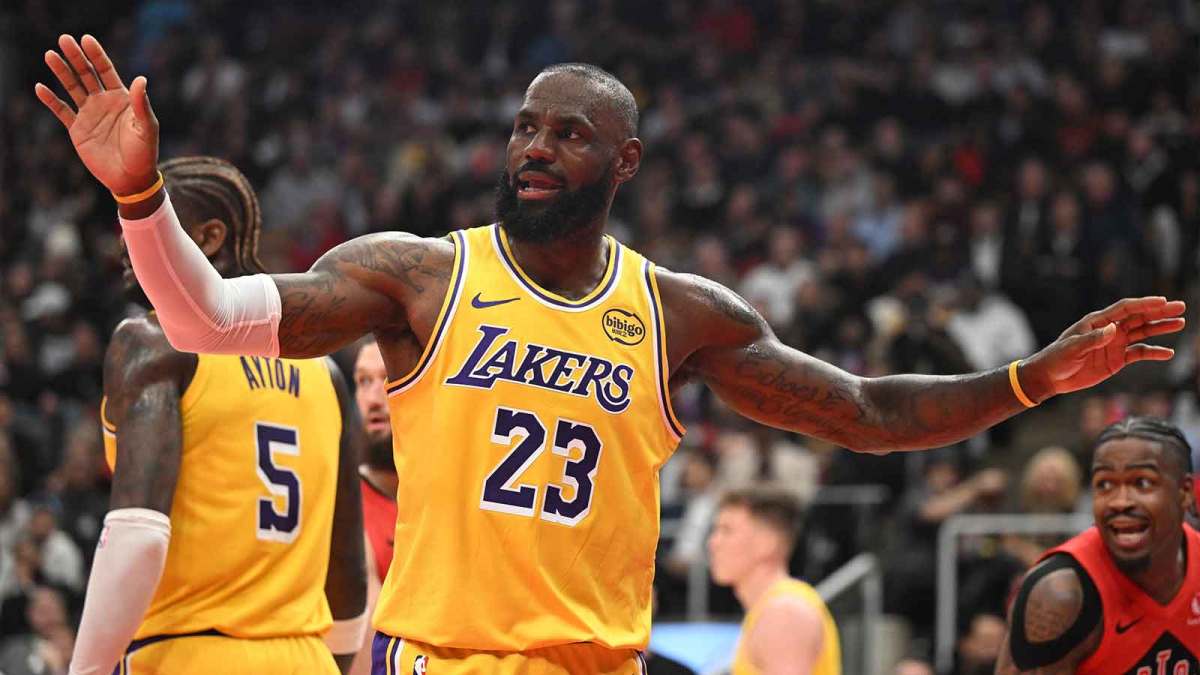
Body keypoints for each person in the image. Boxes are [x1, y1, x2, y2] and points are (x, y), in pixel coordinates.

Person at [36, 35, 1187, 674]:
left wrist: (1036, 379)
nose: (534, 149)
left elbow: (867, 412)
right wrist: (140, 195)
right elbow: (207, 318)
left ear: (624, 162)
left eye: (567, 134)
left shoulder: (676, 312)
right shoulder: (420, 273)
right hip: (448, 660)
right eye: (524, 128)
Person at [68, 156, 367, 674]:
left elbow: (138, 534)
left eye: (147, 225)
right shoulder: (325, 370)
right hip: (307, 657)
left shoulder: (152, 339)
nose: (124, 243)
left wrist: (85, 669)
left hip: (191, 652)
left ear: (208, 239)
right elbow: (347, 569)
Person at [996, 417, 1200, 674]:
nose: (1120, 501)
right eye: (1105, 484)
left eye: (1142, 483)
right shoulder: (1060, 594)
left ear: (1185, 492)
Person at [708, 486, 841, 675]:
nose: (713, 542)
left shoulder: (784, 613)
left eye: (727, 530)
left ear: (767, 542)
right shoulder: (773, 608)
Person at [350, 339, 397, 675]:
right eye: (363, 381)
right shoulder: (347, 498)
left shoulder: (445, 493)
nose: (373, 398)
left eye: (386, 378)